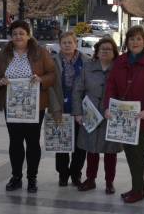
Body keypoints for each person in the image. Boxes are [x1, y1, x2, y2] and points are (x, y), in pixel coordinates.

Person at [0, 20, 56, 193]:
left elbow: (52, 74)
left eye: (22, 33)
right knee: (15, 142)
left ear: (28, 35)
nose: (18, 36)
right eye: (15, 34)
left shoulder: (40, 53)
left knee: (33, 142)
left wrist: (41, 80)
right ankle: (16, 177)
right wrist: (0, 81)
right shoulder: (4, 54)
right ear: (11, 37)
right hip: (11, 106)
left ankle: (32, 178)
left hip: (35, 106)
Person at [103, 25, 144, 204]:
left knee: (137, 153)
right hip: (122, 116)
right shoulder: (120, 61)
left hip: (143, 117)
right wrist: (108, 106)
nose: (135, 42)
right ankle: (139, 186)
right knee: (129, 152)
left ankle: (138, 189)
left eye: (138, 39)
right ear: (127, 42)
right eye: (131, 39)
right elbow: (111, 86)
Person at [71, 36, 122, 194]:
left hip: (111, 115)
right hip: (90, 114)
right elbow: (77, 91)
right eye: (102, 49)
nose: (105, 52)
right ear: (97, 52)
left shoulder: (120, 69)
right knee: (91, 149)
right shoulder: (87, 67)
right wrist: (78, 113)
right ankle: (90, 179)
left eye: (109, 49)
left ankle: (109, 182)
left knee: (110, 151)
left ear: (114, 52)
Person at [50, 31, 88, 187]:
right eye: (64, 42)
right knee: (62, 143)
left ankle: (76, 174)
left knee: (80, 144)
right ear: (60, 44)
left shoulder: (86, 61)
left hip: (80, 109)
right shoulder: (53, 61)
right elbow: (50, 86)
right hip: (61, 107)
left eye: (70, 42)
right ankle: (63, 174)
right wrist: (55, 108)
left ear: (76, 43)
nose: (67, 45)